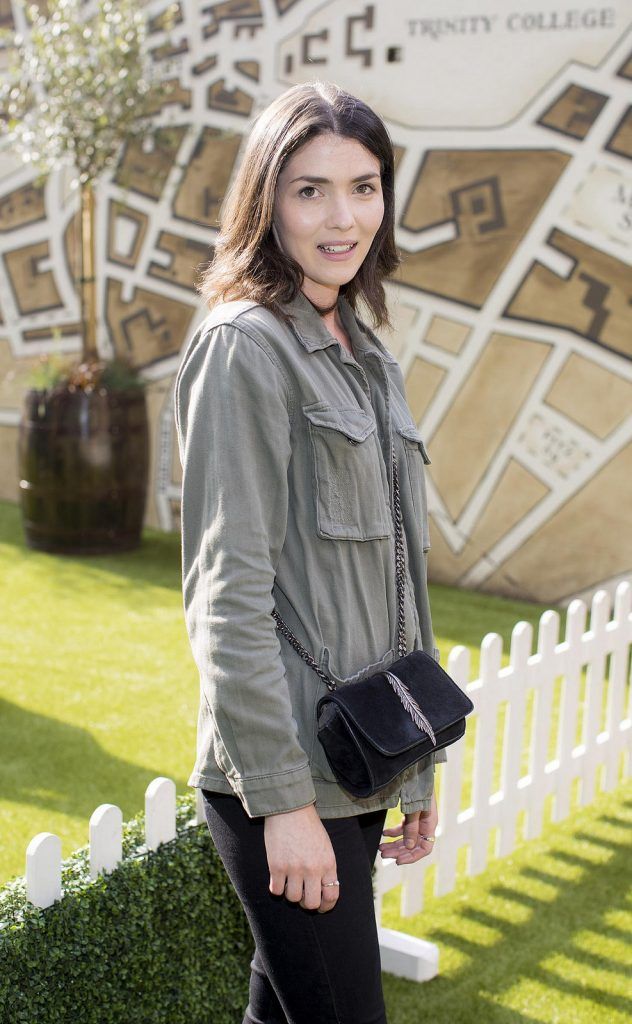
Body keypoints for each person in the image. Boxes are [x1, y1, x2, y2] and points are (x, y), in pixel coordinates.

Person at [174, 80, 447, 1024]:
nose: (344, 217)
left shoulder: (363, 349)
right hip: (286, 776)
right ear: (266, 200)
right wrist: (284, 804)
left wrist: (417, 761)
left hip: (362, 755)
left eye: (364, 187)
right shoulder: (245, 348)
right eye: (310, 190)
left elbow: (399, 578)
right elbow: (227, 594)